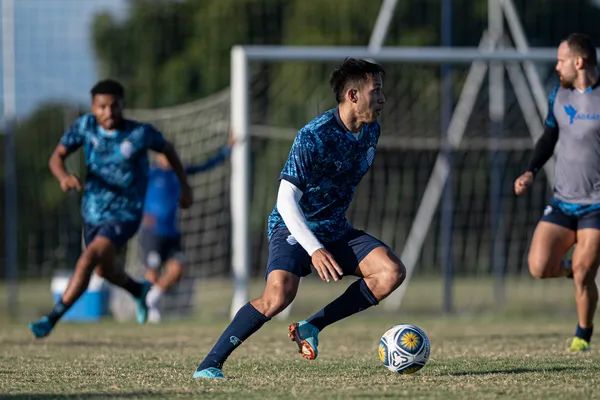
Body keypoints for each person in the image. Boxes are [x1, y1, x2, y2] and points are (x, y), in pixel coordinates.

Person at [193, 58, 405, 379]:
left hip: (334, 228)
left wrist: (326, 241)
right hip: (294, 226)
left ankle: (311, 326)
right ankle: (209, 364)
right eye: (376, 91)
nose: (382, 99)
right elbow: (286, 200)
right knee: (278, 296)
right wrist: (314, 248)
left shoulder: (371, 131)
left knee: (390, 273)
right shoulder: (314, 136)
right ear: (352, 95)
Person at [28, 79, 192, 339]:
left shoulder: (139, 134)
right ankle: (139, 291)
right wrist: (63, 177)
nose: (108, 112)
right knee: (103, 269)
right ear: (93, 107)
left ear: (122, 105)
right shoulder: (85, 127)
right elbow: (56, 157)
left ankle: (52, 317)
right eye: (101, 106)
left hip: (126, 212)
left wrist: (185, 186)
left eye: (113, 106)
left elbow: (168, 150)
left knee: (88, 257)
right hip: (93, 211)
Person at [514, 33, 600, 352]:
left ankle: (582, 336)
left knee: (583, 271)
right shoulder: (558, 97)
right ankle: (573, 272)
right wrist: (529, 171)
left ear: (579, 62)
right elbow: (549, 136)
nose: (556, 66)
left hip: (597, 205)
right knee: (539, 267)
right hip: (563, 201)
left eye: (561, 60)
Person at [141, 138, 234, 322]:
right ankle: (150, 312)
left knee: (177, 268)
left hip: (171, 231)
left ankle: (154, 297)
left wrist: (227, 150)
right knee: (152, 272)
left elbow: (205, 166)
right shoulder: (151, 173)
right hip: (152, 230)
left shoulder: (179, 172)